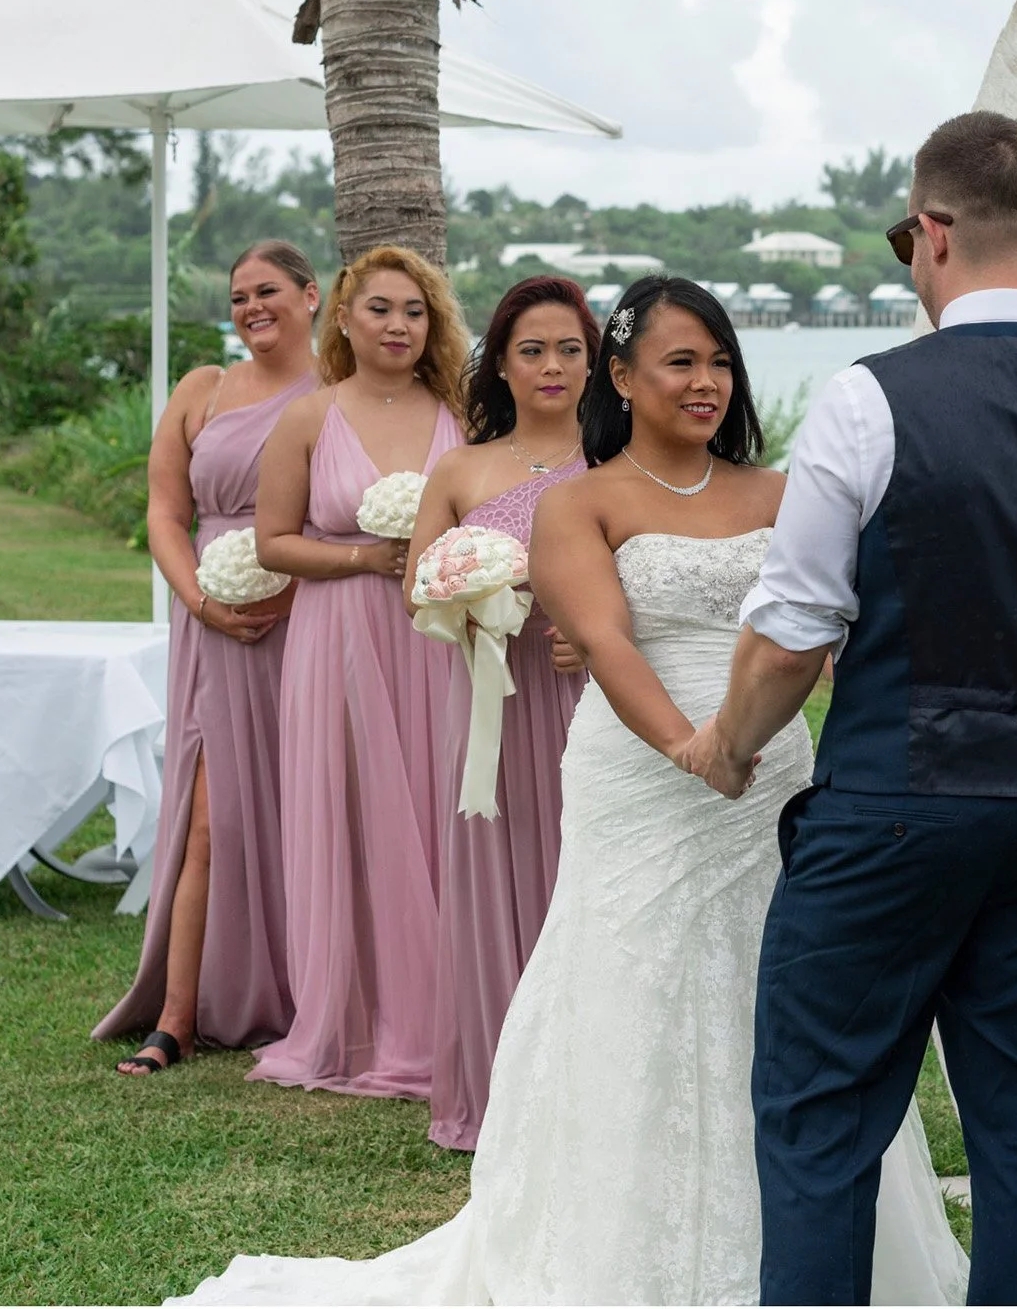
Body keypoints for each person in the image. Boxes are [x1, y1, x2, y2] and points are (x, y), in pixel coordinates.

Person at [177, 276, 966, 1307]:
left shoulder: (779, 493)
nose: (707, 381)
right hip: (643, 769)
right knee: (630, 979)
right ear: (626, 377)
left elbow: (826, 629)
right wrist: (693, 747)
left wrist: (762, 738)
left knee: (780, 986)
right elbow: (601, 640)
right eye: (681, 362)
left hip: (771, 771)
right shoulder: (577, 502)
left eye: (720, 361)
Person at [686, 111, 1017, 1306]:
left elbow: (794, 627)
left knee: (819, 1116)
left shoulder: (867, 397)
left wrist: (729, 744)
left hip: (895, 803)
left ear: (932, 232)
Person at [246, 245, 468, 1101]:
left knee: (435, 805)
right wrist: (363, 558)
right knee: (352, 814)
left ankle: (446, 1010)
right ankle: (358, 1017)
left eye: (415, 311)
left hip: (439, 636)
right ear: (342, 316)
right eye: (381, 308)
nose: (399, 325)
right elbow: (274, 543)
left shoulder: (457, 412)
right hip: (340, 637)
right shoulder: (309, 417)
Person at [97, 241, 320, 1074]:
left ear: (311, 295)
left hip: (307, 622)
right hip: (212, 624)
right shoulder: (203, 389)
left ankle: (314, 996)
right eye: (238, 297)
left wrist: (288, 597)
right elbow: (164, 510)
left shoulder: (336, 395)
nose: (252, 307)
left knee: (308, 805)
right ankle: (178, 1017)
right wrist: (202, 602)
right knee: (208, 817)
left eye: (267, 291)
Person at [404, 277, 597, 1153]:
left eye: (569, 348)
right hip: (492, 701)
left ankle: (591, 1084)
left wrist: (595, 635)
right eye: (532, 350)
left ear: (598, 362)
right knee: (496, 870)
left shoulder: (620, 463)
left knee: (586, 874)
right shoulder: (462, 468)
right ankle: (497, 1095)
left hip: (597, 698)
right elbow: (418, 589)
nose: (552, 365)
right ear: (502, 365)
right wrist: (474, 606)